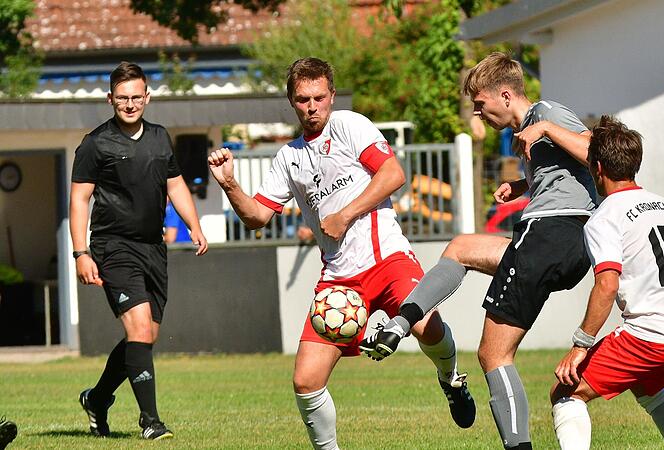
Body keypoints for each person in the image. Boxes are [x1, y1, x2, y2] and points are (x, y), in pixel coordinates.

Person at [207, 57, 475, 450]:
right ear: (291, 101)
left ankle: (450, 378)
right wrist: (230, 184)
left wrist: (345, 214)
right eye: (303, 99)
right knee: (306, 380)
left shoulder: (350, 125)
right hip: (339, 280)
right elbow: (257, 217)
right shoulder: (289, 158)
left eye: (319, 97)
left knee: (425, 326)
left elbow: (393, 174)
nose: (312, 106)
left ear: (331, 95)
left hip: (388, 260)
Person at [360, 52, 597, 450]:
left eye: (480, 104)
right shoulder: (531, 134)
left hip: (549, 234)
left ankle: (517, 446)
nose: (477, 114)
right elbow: (570, 176)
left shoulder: (546, 113)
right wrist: (524, 188)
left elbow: (595, 152)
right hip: (565, 241)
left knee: (493, 354)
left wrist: (547, 129)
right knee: (461, 247)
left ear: (505, 95)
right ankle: (403, 323)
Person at [550, 115, 664, 450]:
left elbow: (607, 286)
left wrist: (580, 346)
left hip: (655, 337)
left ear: (596, 167)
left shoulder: (605, 216)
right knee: (646, 385)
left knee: (566, 391)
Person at [69, 61, 208, 441]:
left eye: (136, 97)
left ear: (147, 97)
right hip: (113, 247)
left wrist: (194, 224)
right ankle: (150, 421)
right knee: (140, 328)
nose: (130, 105)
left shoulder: (162, 138)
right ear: (110, 99)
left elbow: (175, 185)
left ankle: (97, 399)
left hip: (153, 248)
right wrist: (81, 252)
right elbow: (80, 199)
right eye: (122, 98)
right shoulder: (95, 144)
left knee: (144, 336)